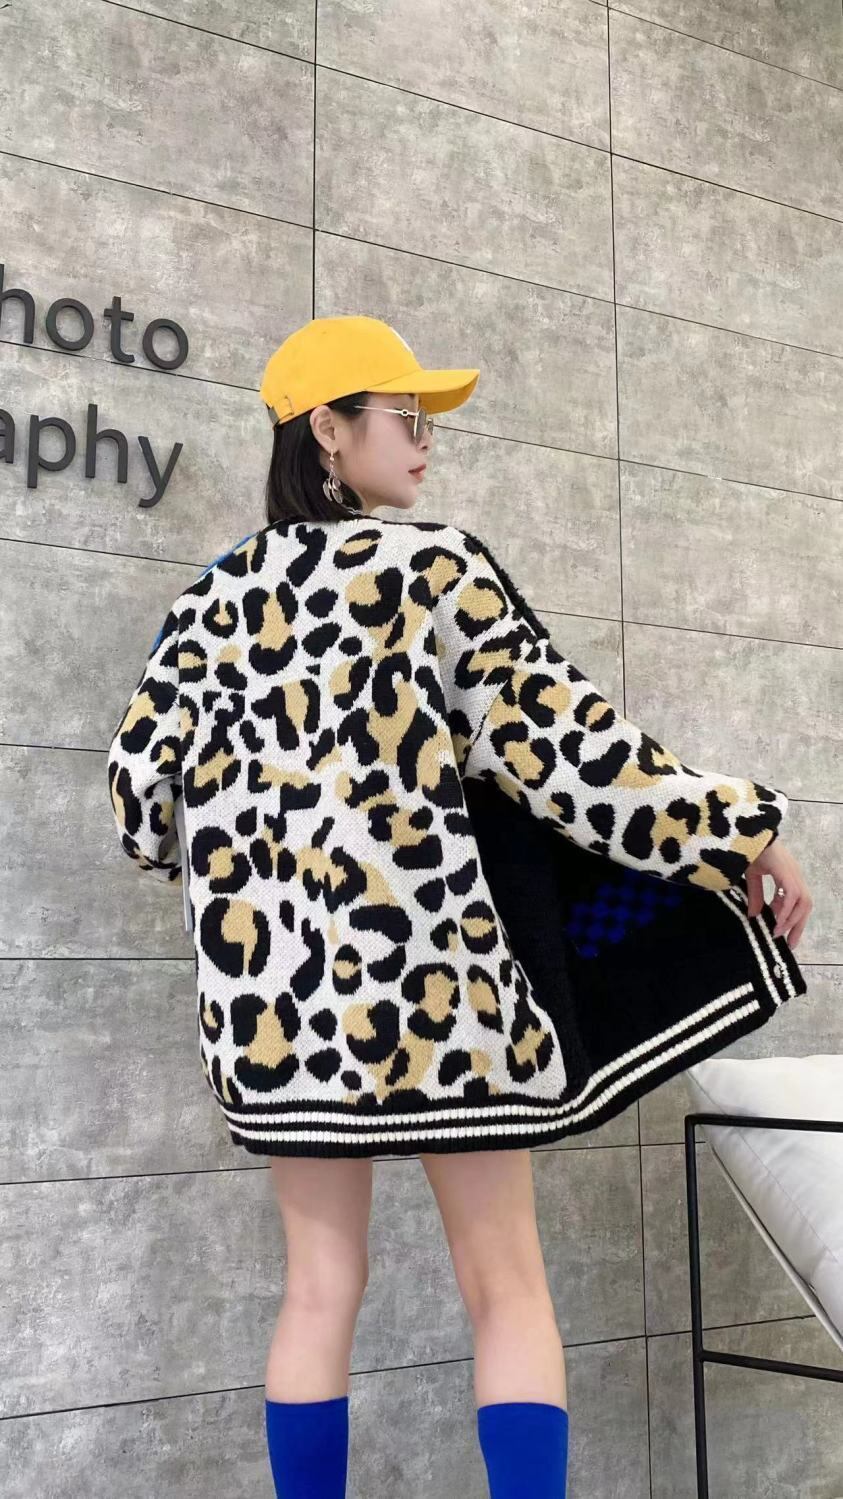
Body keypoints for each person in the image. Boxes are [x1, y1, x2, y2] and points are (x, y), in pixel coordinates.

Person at [106, 316, 812, 1499]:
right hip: (440, 995)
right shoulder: (436, 570)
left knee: (318, 1289)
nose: (427, 441)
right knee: (506, 1284)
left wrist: (259, 854)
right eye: (406, 416)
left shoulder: (207, 604)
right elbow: (571, 752)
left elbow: (137, 802)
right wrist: (739, 826)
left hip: (279, 1019)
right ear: (327, 430)